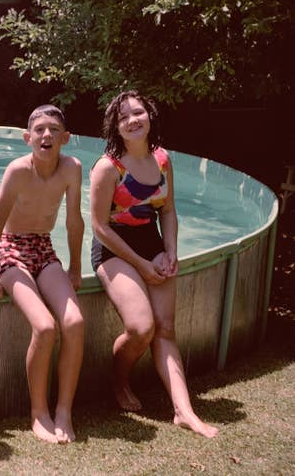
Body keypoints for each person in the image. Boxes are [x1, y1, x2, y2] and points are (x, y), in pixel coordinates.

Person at [89, 90, 218, 438]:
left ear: (150, 116)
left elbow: (168, 209)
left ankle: (183, 410)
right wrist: (142, 265)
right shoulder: (108, 168)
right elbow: (99, 226)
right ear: (116, 127)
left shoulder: (162, 160)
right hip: (114, 249)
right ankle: (118, 382)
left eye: (138, 113)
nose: (133, 120)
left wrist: (171, 250)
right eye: (124, 116)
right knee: (141, 328)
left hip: (152, 243)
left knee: (165, 327)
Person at [0, 104, 85, 443]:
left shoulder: (72, 169)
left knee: (75, 323)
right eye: (39, 129)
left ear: (65, 138)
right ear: (27, 138)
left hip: (44, 247)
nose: (47, 135)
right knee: (45, 326)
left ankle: (64, 410)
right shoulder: (18, 171)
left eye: (54, 130)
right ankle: (39, 413)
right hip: (11, 250)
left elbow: (73, 221)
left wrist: (76, 267)